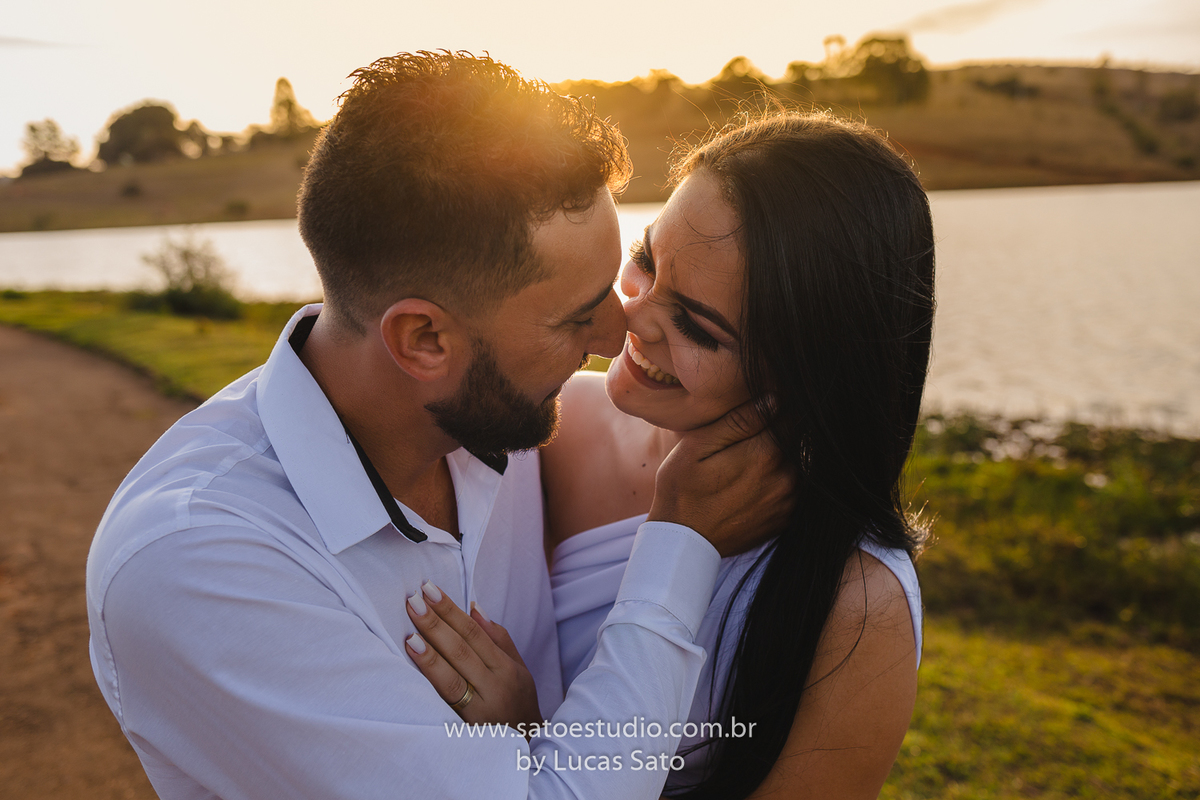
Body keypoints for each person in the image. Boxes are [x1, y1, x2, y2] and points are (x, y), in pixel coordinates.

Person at [85, 52, 790, 800]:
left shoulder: (494, 420)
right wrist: (681, 542)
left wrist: (529, 740)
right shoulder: (198, 563)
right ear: (424, 340)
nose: (619, 335)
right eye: (576, 316)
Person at [415, 111, 935, 799]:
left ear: (812, 368)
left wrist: (533, 745)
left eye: (696, 325)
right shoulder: (546, 428)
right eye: (646, 260)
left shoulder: (858, 605)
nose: (633, 318)